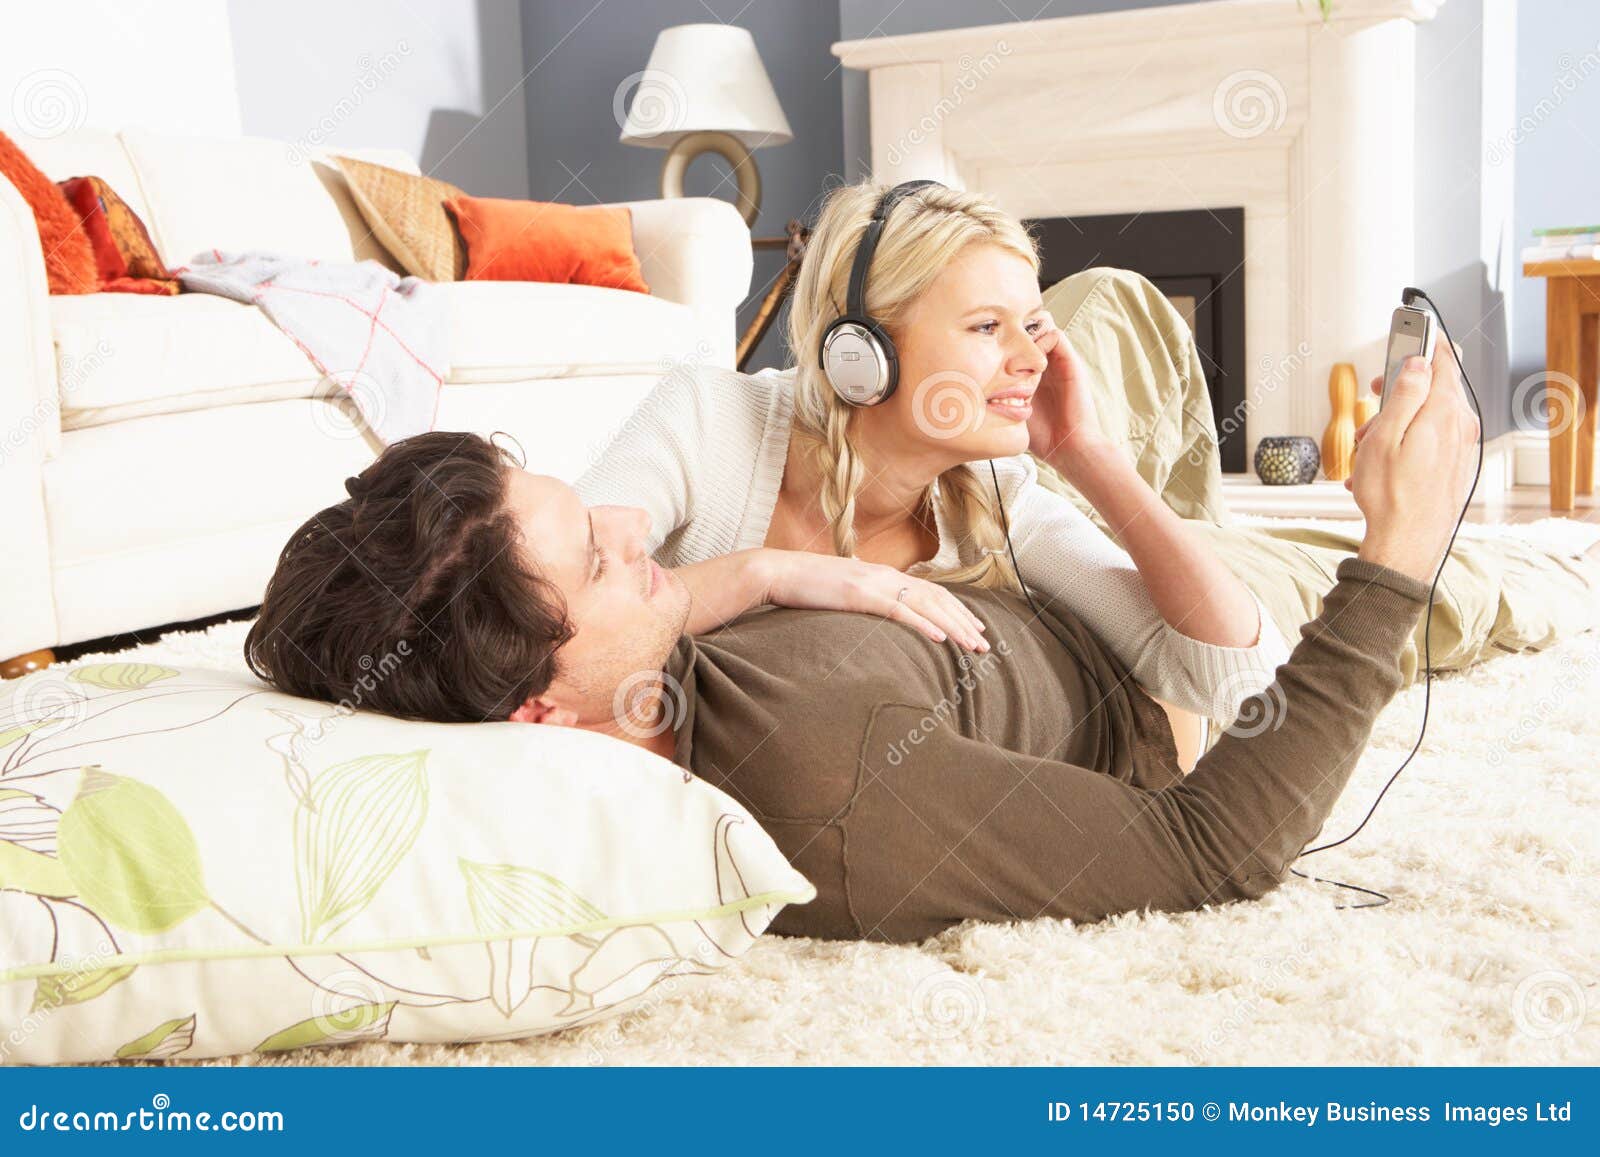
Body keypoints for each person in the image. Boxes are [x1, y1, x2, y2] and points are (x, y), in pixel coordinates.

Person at [245, 337, 1484, 944]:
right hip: (1133, 640)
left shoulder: (627, 683)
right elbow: (1218, 847)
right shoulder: (824, 788)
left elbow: (647, 636)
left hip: (1010, 548)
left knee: (1100, 333)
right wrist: (1395, 560)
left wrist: (771, 566)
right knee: (1463, 593)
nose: (639, 534)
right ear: (537, 712)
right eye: (598, 558)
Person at [574, 181, 1292, 765]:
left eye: (1034, 325)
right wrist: (764, 573)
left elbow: (1240, 684)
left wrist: (1088, 453)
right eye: (987, 327)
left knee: (1269, 566)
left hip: (1060, 448)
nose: (1034, 358)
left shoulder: (996, 495)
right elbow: (544, 618)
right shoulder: (707, 418)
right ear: (860, 352)